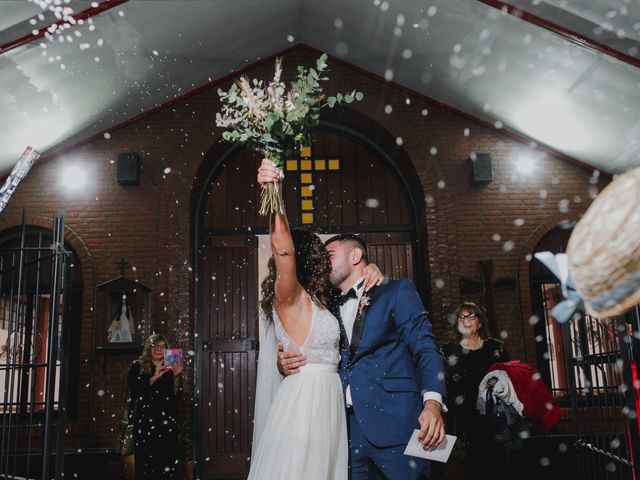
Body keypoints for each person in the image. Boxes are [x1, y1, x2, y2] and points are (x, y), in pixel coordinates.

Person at [268, 163, 445, 478]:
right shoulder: (326, 305)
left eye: (331, 254)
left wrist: (432, 402)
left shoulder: (396, 290)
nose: (324, 260)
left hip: (397, 424)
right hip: (342, 430)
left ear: (355, 257)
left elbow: (425, 346)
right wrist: (285, 362)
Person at [249, 160, 383, 480]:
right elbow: (283, 253)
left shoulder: (322, 302)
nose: (328, 260)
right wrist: (275, 196)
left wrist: (371, 268)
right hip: (305, 403)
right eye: (324, 255)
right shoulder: (290, 296)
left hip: (328, 402)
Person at [441, 302, 510, 480]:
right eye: (462, 317)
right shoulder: (446, 351)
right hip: (461, 422)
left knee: (496, 469)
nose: (466, 320)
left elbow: (509, 382)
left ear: (480, 322)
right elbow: (440, 385)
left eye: (472, 316)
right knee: (465, 471)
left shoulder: (496, 349)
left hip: (492, 420)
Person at [127, 333, 183, 480]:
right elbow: (136, 392)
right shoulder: (137, 366)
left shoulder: (170, 366)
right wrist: (152, 379)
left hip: (166, 422)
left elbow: (177, 395)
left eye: (163, 346)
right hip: (145, 421)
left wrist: (177, 376)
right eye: (155, 346)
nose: (159, 349)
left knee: (167, 462)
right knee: (146, 464)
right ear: (149, 349)